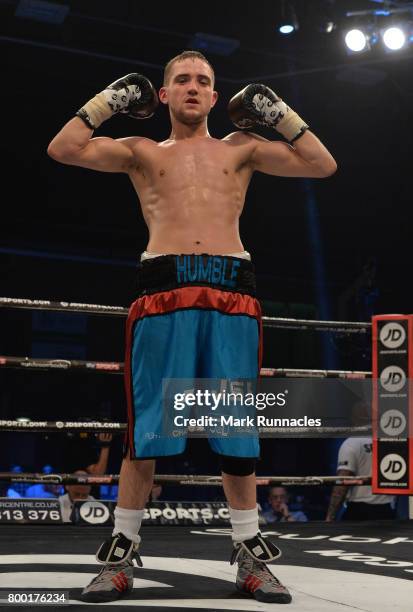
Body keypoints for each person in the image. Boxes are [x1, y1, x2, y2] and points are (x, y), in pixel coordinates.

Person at [48, 50, 336, 605]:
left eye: (203, 81)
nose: (193, 88)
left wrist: (277, 113)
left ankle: (250, 556)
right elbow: (64, 149)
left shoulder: (242, 148)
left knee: (236, 430)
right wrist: (107, 102)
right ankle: (121, 553)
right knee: (148, 429)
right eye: (181, 80)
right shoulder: (142, 151)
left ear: (213, 95)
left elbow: (321, 164)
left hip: (232, 291)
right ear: (162, 94)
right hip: (163, 288)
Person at [326, 437, 396, 521]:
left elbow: (343, 481)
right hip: (386, 510)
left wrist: (330, 517)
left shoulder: (352, 443)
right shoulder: (391, 441)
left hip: (358, 511)